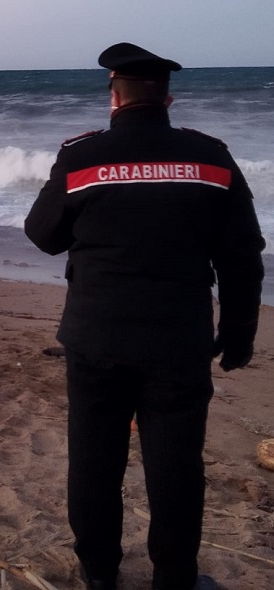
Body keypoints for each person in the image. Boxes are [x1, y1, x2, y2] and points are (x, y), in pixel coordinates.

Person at [24, 42, 265, 590]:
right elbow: (242, 255)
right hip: (178, 341)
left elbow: (43, 236)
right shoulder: (212, 158)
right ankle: (175, 580)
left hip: (95, 337)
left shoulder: (81, 156)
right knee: (177, 468)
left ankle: (100, 575)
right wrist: (239, 334)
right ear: (168, 99)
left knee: (93, 462)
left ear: (114, 97)